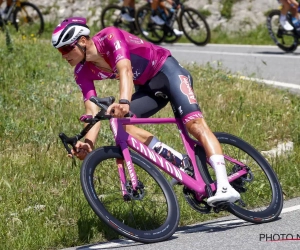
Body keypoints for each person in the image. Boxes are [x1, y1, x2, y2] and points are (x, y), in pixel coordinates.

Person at [51, 17, 240, 207]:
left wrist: (124, 102)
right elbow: (91, 109)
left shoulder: (109, 36)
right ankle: (181, 162)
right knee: (120, 124)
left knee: (195, 125)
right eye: (59, 51)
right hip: (148, 89)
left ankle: (224, 185)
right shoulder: (81, 71)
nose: (63, 55)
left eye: (66, 49)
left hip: (168, 73)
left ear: (83, 41)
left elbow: (125, 69)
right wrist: (89, 144)